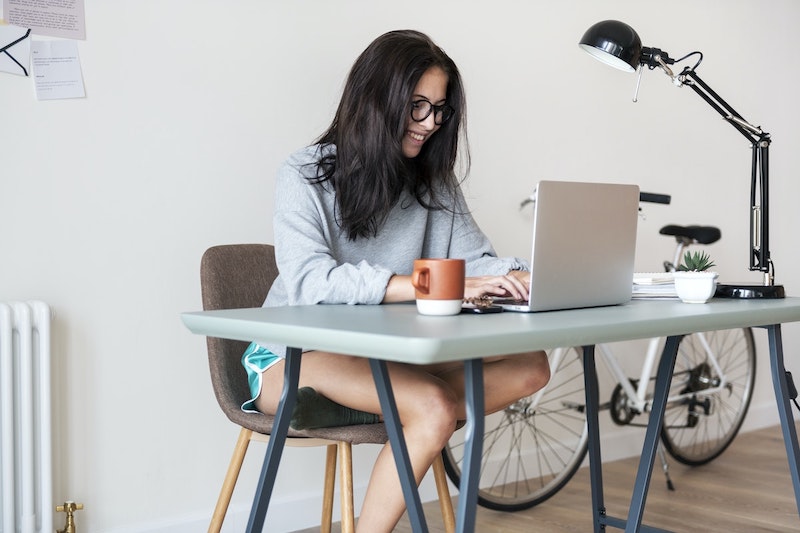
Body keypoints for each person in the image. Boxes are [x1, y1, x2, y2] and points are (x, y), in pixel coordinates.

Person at [242, 29, 550, 532]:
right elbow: (310, 281)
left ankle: (418, 411)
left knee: (531, 366)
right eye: (417, 106)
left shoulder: (434, 184)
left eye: (440, 109)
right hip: (289, 358)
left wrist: (519, 275)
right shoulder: (304, 175)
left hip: (383, 354)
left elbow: (475, 261)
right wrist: (434, 284)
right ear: (377, 100)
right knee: (434, 407)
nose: (430, 123)